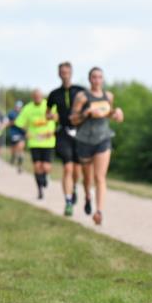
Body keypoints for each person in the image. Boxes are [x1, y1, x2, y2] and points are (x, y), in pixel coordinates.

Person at [70, 67, 124, 225]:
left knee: (99, 177)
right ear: (89, 79)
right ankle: (87, 195)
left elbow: (108, 114)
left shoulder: (108, 96)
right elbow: (73, 119)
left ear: (103, 79)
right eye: (94, 77)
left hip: (103, 139)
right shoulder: (82, 97)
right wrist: (85, 114)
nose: (97, 80)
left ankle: (99, 211)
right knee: (87, 178)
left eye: (100, 77)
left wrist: (116, 113)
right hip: (84, 140)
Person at [48, 62, 89, 217]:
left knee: (77, 172)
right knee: (67, 168)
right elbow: (47, 113)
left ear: (71, 73)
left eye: (67, 72)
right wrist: (51, 116)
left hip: (79, 134)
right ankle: (68, 201)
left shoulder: (80, 91)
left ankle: (74, 188)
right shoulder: (54, 94)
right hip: (63, 133)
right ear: (59, 74)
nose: (64, 74)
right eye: (62, 72)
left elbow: (88, 109)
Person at [13, 90, 56, 199]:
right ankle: (40, 189)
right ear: (32, 97)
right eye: (35, 97)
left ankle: (45, 176)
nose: (37, 98)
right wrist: (26, 131)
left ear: (42, 96)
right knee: (37, 166)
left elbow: (57, 116)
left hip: (48, 142)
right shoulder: (28, 108)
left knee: (46, 167)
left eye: (39, 96)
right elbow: (19, 122)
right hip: (34, 142)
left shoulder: (49, 105)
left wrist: (53, 128)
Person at [6, 100, 26, 173]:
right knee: (14, 150)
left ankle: (20, 166)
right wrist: (13, 122)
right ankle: (13, 157)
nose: (18, 108)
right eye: (17, 107)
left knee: (20, 149)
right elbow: (6, 123)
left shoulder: (24, 114)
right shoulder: (11, 113)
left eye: (20, 107)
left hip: (21, 134)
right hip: (13, 134)